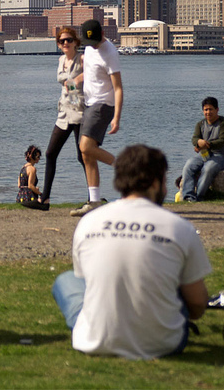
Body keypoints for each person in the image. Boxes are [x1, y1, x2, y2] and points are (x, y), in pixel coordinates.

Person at [52, 144, 211, 359]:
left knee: (67, 280)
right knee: (178, 284)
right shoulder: (178, 227)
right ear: (156, 183)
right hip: (162, 343)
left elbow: (88, 282)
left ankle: (99, 324)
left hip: (95, 341)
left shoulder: (89, 222)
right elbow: (198, 304)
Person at [70, 18, 123, 218]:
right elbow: (90, 74)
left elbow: (118, 87)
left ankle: (123, 167)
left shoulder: (110, 53)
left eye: (94, 42)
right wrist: (76, 80)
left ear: (102, 35)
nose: (91, 46)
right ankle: (94, 201)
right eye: (88, 42)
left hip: (103, 105)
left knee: (85, 147)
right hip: (89, 103)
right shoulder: (89, 48)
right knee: (86, 155)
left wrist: (116, 117)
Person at [41, 26, 85, 206]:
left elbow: (95, 72)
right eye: (62, 41)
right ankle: (45, 198)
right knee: (50, 153)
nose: (65, 43)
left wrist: (77, 80)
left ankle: (94, 197)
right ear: (58, 45)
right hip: (64, 112)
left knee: (83, 157)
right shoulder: (60, 60)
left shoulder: (82, 59)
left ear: (75, 42)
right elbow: (64, 82)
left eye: (69, 40)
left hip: (80, 111)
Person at [179, 97, 224, 202]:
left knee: (208, 169)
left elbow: (222, 141)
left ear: (217, 109)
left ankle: (199, 197)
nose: (208, 112)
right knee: (189, 165)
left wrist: (205, 144)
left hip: (221, 156)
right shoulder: (200, 124)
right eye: (205, 110)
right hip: (204, 155)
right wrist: (198, 143)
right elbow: (194, 138)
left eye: (210, 109)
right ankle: (188, 196)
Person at [16, 145, 49, 211]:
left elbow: (19, 185)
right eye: (37, 156)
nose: (39, 158)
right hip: (29, 197)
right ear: (32, 157)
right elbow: (30, 185)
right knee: (46, 204)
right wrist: (40, 194)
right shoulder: (32, 169)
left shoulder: (23, 168)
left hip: (20, 197)